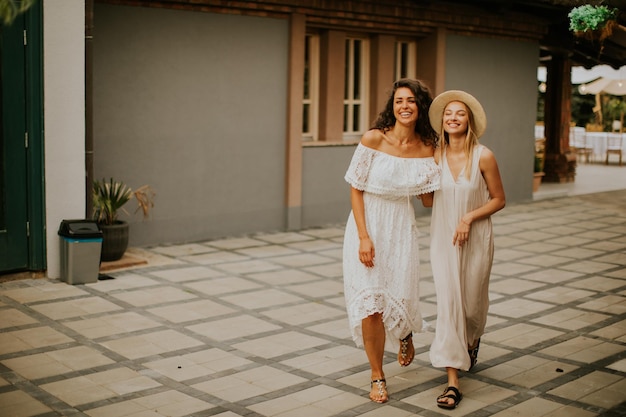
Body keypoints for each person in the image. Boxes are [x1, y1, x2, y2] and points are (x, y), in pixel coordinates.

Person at [342, 78, 441, 404]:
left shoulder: (428, 147)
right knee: (371, 304)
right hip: (368, 224)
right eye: (399, 100)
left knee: (400, 293)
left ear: (420, 106)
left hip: (401, 227)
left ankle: (406, 333)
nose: (405, 106)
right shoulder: (373, 139)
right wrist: (364, 237)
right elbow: (356, 188)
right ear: (392, 106)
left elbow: (428, 201)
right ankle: (377, 374)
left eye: (411, 100)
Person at [427, 90, 506, 410]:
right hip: (443, 240)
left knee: (472, 307)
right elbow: (430, 200)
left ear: (469, 120)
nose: (453, 118)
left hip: (476, 239)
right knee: (450, 306)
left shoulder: (484, 155)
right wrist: (420, 188)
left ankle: (471, 340)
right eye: (448, 114)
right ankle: (452, 381)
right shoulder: (434, 156)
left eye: (460, 113)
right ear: (442, 122)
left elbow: (499, 199)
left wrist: (468, 218)